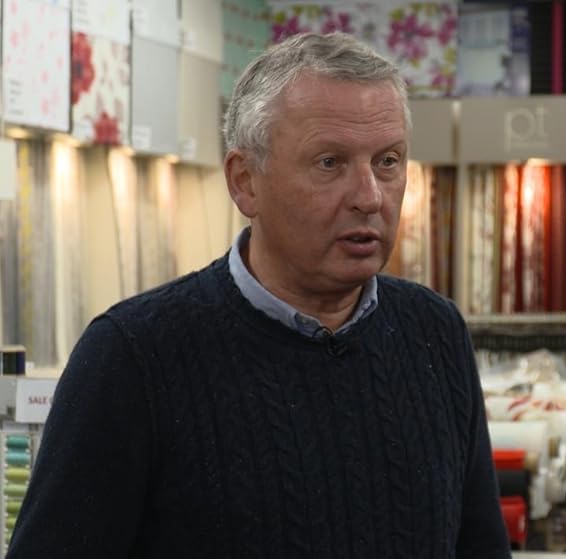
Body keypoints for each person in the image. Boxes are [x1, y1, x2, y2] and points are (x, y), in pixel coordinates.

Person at [8, 32, 510, 558]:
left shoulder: (435, 334)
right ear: (245, 181)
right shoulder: (133, 357)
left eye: (388, 161)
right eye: (329, 163)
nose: (369, 196)